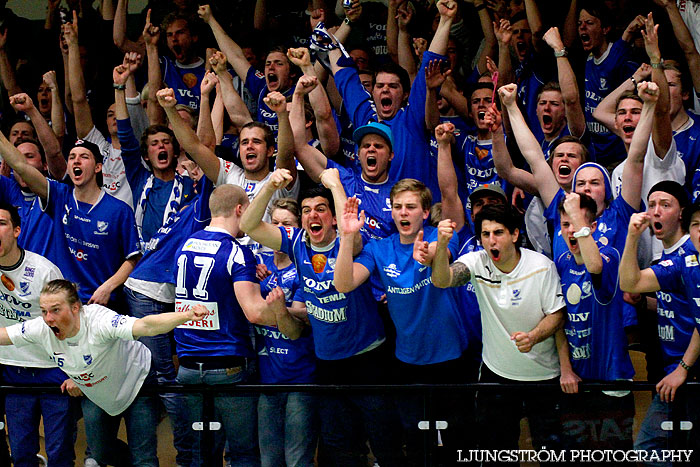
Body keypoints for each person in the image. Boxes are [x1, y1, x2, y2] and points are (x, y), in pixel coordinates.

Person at [240, 168, 405, 466]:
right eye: (306, 210)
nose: (312, 215)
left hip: (367, 358)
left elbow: (349, 233)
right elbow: (249, 225)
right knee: (339, 447)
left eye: (320, 209)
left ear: (332, 217)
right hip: (327, 362)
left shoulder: (354, 243)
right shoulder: (296, 240)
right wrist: (269, 187)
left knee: (385, 441)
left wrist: (335, 184)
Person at [334, 179, 480, 465]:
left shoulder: (442, 236)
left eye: (411, 207)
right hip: (407, 362)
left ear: (425, 212)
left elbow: (441, 257)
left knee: (457, 442)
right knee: (416, 443)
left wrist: (429, 256)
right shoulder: (380, 249)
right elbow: (344, 284)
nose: (403, 213)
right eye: (398, 207)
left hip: (450, 358)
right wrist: (347, 237)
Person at [0, 279, 208, 466]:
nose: (48, 318)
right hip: (98, 391)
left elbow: (146, 325)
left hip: (136, 382)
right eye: (44, 311)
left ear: (75, 308)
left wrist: (187, 315)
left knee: (143, 457)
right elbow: (4, 335)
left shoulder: (100, 321)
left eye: (55, 310)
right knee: (100, 454)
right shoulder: (42, 328)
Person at [174, 184, 296, 466]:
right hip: (227, 367)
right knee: (242, 454)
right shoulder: (236, 252)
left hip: (189, 368)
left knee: (202, 453)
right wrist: (288, 312)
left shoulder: (186, 245)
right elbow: (255, 314)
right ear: (240, 210)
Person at [431, 204, 566, 454]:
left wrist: (534, 336)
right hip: (497, 377)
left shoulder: (541, 267)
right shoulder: (477, 262)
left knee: (551, 453)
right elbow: (442, 280)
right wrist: (441, 246)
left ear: (515, 235)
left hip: (543, 378)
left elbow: (557, 315)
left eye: (498, 233)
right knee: (497, 453)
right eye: (485, 234)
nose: (491, 241)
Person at [0, 133, 141, 307]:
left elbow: (133, 258)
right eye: (72, 157)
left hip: (102, 303)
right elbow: (21, 166)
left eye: (84, 157)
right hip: (63, 301)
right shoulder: (59, 196)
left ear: (98, 167)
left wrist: (107, 287)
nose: (76, 161)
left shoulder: (120, 210)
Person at [620, 185, 700, 463]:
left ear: (681, 214)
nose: (656, 211)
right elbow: (631, 285)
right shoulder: (668, 258)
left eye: (665, 204)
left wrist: (683, 368)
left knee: (648, 448)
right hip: (673, 371)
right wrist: (644, 303)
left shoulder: (690, 253)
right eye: (651, 204)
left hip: (689, 372)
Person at [555, 192, 635, 452]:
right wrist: (566, 369)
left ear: (592, 228)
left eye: (576, 225)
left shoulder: (609, 256)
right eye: (565, 225)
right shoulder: (561, 263)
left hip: (611, 382)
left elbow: (595, 267)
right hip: (575, 382)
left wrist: (577, 217)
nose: (570, 232)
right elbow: (558, 322)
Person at [0, 202, 74, 467]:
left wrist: (74, 369)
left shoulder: (44, 270)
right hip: (12, 369)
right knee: (21, 454)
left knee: (59, 454)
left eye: (1, 224)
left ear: (17, 230)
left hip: (52, 368)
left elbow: (72, 323)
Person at [254, 198, 317, 467]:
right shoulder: (258, 266)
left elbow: (295, 331)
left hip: (300, 380)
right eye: (275, 223)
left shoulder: (306, 267)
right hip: (267, 380)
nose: (279, 229)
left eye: (287, 224)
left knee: (297, 460)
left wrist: (281, 309)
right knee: (268, 461)